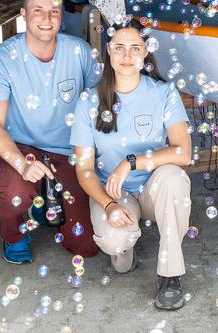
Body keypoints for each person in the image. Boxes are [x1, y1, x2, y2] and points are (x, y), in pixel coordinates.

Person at [70, 18, 192, 310]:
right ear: (108, 52)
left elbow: (183, 153)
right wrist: (109, 205)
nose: (127, 56)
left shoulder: (163, 92)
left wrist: (131, 162)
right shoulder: (89, 100)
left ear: (145, 53)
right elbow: (84, 169)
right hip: (114, 192)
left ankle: (170, 274)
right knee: (116, 246)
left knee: (174, 178)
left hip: (153, 187)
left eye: (135, 48)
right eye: (120, 47)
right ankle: (126, 249)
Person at [0, 0, 101, 264]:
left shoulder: (80, 52)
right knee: (15, 196)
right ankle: (12, 233)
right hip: (20, 146)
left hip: (67, 149)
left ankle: (48, 201)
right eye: (38, 10)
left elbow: (98, 106)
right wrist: (22, 164)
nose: (47, 19)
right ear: (23, 14)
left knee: (85, 245)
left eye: (54, 11)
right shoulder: (0, 59)